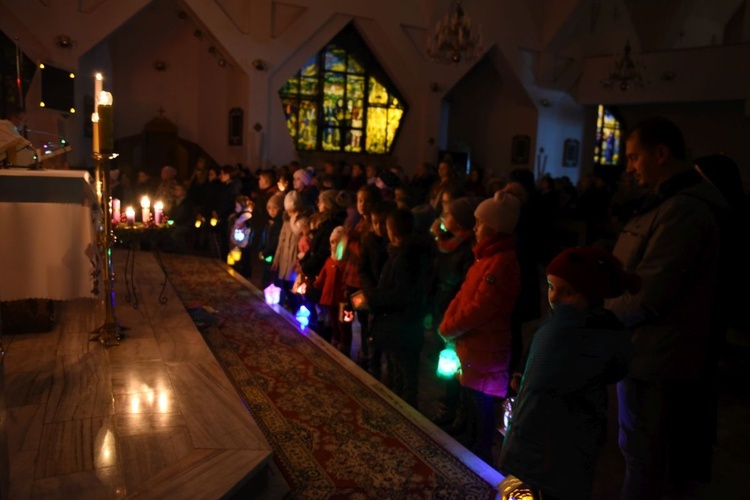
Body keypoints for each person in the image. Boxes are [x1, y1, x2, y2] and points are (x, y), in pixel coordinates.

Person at [604, 117, 727, 499]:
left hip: (655, 357)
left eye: (634, 157)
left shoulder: (684, 212)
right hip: (643, 352)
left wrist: (594, 308)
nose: (629, 167)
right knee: (638, 453)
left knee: (644, 459)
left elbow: (648, 296)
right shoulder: (667, 205)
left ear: (661, 154)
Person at [497, 246, 638, 500]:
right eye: (551, 287)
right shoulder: (565, 325)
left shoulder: (574, 331)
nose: (555, 298)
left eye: (567, 292)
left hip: (558, 445)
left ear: (591, 295)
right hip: (551, 445)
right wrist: (521, 374)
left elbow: (544, 384)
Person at [438, 191, 521, 463]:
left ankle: (480, 457)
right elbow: (464, 295)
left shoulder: (500, 263)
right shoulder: (485, 257)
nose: (474, 228)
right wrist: (448, 323)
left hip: (486, 346)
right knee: (471, 400)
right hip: (473, 345)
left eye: (479, 223)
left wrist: (450, 328)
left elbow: (480, 308)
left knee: (482, 404)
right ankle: (471, 446)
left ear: (494, 227)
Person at [311, 226, 348, 353]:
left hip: (340, 297)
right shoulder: (329, 260)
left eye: (337, 242)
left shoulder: (345, 262)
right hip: (329, 296)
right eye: (332, 242)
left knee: (342, 322)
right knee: (333, 320)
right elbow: (322, 276)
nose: (334, 245)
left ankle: (343, 342)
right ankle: (336, 338)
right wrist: (316, 283)